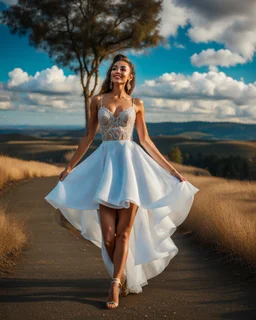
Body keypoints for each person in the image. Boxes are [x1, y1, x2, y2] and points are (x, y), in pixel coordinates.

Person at [45, 54, 199, 309]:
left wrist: (172, 170)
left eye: (122, 68)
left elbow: (146, 140)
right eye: (114, 68)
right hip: (106, 167)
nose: (117, 71)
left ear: (130, 76)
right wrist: (70, 166)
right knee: (108, 235)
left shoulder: (136, 103)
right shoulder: (97, 101)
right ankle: (122, 273)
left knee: (124, 233)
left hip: (131, 169)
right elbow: (88, 136)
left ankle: (115, 284)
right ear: (111, 74)